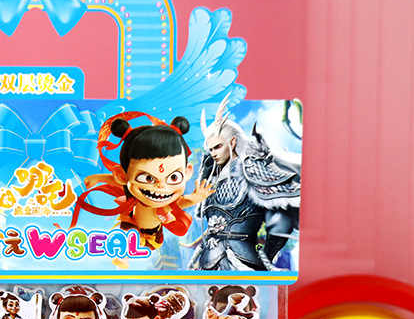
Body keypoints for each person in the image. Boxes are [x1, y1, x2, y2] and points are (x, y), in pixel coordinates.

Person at [72, 112, 212, 251]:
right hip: (131, 226)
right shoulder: (137, 196)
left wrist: (196, 198)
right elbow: (118, 182)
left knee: (145, 247)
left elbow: (182, 202)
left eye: (173, 177)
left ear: (186, 173)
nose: (161, 186)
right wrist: (98, 178)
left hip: (154, 235)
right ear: (122, 175)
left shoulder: (165, 205)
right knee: (127, 236)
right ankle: (122, 257)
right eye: (148, 178)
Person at [190, 103, 300, 271]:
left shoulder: (251, 170)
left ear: (232, 142)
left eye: (217, 147)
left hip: (243, 262)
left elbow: (280, 218)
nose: (213, 153)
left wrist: (267, 256)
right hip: (207, 263)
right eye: (211, 149)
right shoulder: (212, 176)